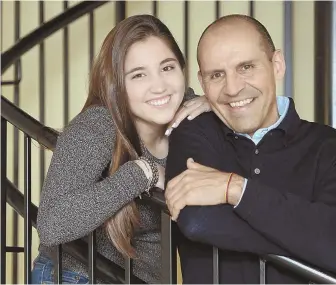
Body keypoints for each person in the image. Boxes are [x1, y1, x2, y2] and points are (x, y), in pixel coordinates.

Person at [33, 14, 211, 284]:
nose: (159, 85)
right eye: (139, 75)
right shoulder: (99, 124)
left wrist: (215, 102)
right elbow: (52, 224)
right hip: (77, 276)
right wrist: (142, 173)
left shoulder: (188, 114)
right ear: (117, 84)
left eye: (167, 67)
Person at [165, 14, 336, 284]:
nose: (232, 88)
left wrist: (235, 188)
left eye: (246, 67)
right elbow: (197, 220)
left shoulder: (328, 146)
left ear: (277, 64)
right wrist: (310, 238)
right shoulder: (195, 131)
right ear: (202, 80)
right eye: (216, 75)